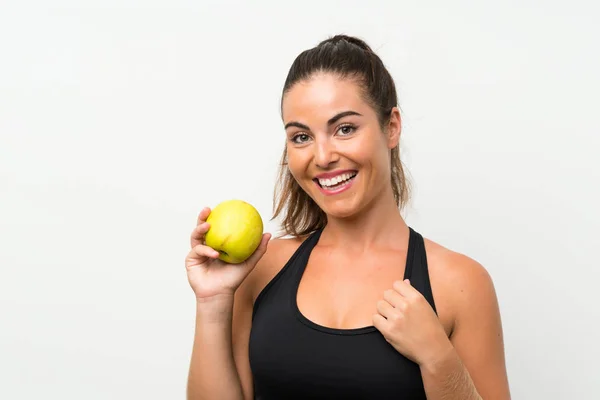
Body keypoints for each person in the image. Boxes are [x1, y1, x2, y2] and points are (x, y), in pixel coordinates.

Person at [185, 34, 511, 399]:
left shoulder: (459, 283)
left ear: (392, 127)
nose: (322, 156)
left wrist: (439, 358)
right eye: (301, 137)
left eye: (345, 129)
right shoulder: (262, 269)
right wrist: (212, 303)